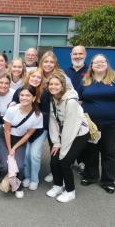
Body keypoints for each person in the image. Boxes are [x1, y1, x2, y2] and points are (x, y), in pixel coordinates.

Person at [79, 54, 115, 194]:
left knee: (109, 152)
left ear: (107, 64)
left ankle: (108, 181)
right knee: (91, 151)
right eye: (96, 62)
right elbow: (79, 102)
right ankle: (91, 176)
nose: (99, 64)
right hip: (90, 125)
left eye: (102, 61)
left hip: (111, 125)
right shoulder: (85, 81)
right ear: (91, 65)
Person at [46, 72, 89, 203]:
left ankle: (70, 191)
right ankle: (58, 185)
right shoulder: (53, 98)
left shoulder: (70, 102)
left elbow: (71, 129)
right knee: (54, 160)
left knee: (64, 162)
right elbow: (53, 121)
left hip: (79, 134)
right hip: (63, 133)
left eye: (56, 84)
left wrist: (63, 151)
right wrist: (56, 143)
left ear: (63, 85)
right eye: (51, 84)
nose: (53, 87)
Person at [0, 85, 43, 199]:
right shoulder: (12, 110)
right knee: (5, 165)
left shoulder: (38, 115)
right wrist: (10, 149)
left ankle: (18, 186)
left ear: (33, 97)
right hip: (4, 137)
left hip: (19, 140)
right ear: (19, 96)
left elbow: (28, 134)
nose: (24, 98)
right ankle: (8, 179)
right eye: (22, 95)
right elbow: (7, 130)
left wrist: (14, 147)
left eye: (28, 95)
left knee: (20, 166)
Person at [38, 51, 73, 183]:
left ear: (55, 64)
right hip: (42, 117)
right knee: (51, 144)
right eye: (46, 61)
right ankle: (55, 171)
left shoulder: (62, 76)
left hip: (58, 117)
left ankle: (58, 173)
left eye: (51, 62)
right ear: (41, 63)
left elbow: (70, 93)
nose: (48, 64)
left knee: (58, 145)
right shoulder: (38, 75)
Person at [12, 69, 46, 191]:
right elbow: (14, 105)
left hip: (39, 129)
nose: (35, 79)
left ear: (41, 80)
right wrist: (11, 104)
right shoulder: (21, 90)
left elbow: (46, 114)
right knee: (25, 154)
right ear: (28, 77)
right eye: (33, 77)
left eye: (38, 77)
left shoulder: (44, 93)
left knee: (34, 154)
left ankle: (34, 179)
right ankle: (27, 176)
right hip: (24, 129)